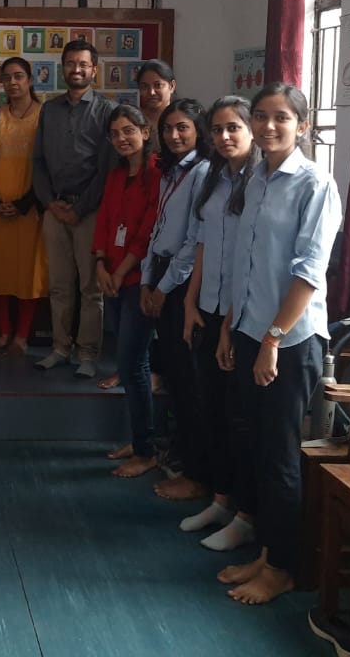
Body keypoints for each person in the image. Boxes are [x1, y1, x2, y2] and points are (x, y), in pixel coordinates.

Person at [215, 83, 340, 605]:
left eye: (281, 118)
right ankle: (266, 554)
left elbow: (309, 271)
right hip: (250, 331)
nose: (268, 126)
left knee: (281, 457)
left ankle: (284, 568)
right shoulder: (257, 178)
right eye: (261, 116)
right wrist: (230, 325)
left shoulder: (315, 184)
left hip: (288, 341)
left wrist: (273, 337)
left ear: (302, 126)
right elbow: (243, 262)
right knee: (257, 449)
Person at [179, 96, 261, 551]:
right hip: (208, 306)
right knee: (210, 407)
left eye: (234, 127)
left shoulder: (262, 181)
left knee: (239, 417)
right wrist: (190, 302)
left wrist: (228, 321)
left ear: (251, 130)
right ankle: (221, 499)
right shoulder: (211, 176)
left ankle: (245, 515)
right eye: (216, 129)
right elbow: (203, 244)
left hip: (244, 316)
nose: (224, 136)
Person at [141, 98, 211, 498]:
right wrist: (147, 280)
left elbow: (192, 241)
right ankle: (180, 457)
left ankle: (196, 474)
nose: (173, 135)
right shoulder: (170, 172)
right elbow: (159, 228)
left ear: (199, 131)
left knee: (189, 382)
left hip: (183, 283)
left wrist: (164, 287)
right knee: (175, 376)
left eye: (182, 127)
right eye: (168, 128)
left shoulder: (202, 172)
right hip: (162, 273)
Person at [32, 40, 115, 378]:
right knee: (59, 285)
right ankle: (60, 348)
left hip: (90, 211)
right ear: (62, 68)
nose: (76, 69)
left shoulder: (107, 111)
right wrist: (49, 201)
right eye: (70, 63)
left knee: (90, 288)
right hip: (54, 208)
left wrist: (81, 209)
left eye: (83, 64)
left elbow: (106, 168)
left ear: (94, 69)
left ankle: (88, 354)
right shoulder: (49, 110)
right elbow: (38, 161)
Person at [94, 105, 161, 476]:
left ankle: (147, 450)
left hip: (139, 281)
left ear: (145, 132)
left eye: (129, 131)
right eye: (115, 134)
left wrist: (119, 272)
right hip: (112, 276)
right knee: (131, 362)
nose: (122, 138)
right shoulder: (116, 175)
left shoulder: (157, 173)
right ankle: (139, 441)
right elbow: (105, 220)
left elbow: (148, 230)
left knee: (132, 364)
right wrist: (100, 264)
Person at [0, 57, 47, 353]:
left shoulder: (44, 116)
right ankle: (3, 332)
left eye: (18, 76)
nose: (12, 82)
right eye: (6, 78)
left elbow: (47, 166)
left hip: (30, 210)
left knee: (28, 274)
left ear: (30, 80)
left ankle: (21, 336)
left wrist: (23, 203)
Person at [136, 59, 177, 155]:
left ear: (171, 86)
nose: (151, 92)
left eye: (158, 85)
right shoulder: (135, 121)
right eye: (144, 86)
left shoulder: (185, 119)